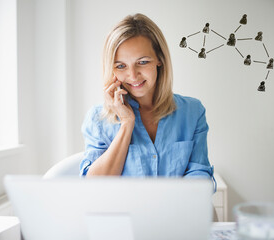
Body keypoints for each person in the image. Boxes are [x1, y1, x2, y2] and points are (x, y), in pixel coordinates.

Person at [79, 13, 215, 187]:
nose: (133, 75)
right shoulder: (98, 119)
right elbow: (93, 187)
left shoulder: (193, 112)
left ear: (159, 59)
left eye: (142, 62)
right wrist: (127, 123)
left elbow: (199, 173)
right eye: (121, 66)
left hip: (176, 212)